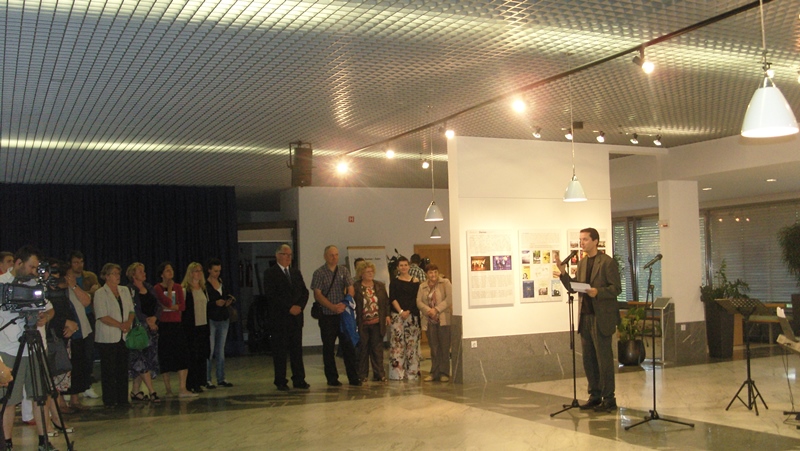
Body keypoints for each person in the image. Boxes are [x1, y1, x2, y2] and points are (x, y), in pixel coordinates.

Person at [555, 227, 621, 413]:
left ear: (595, 241)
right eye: (580, 239)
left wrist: (598, 291)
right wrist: (563, 274)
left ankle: (609, 398)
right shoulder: (583, 263)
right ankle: (595, 395)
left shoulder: (607, 262)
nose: (581, 243)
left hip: (601, 318)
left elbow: (616, 289)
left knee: (603, 359)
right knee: (589, 359)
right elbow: (574, 287)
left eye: (585, 239)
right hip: (585, 317)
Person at [0, 246, 58, 451]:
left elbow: (50, 309)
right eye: (31, 267)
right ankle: (6, 443)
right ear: (18, 263)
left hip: (35, 346)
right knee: (8, 400)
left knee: (40, 397)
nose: (34, 271)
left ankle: (44, 442)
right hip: (9, 349)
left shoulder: (35, 284)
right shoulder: (2, 284)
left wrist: (45, 317)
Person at [310, 245, 360, 387]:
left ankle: (353, 377)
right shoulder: (319, 273)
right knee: (328, 348)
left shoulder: (343, 270)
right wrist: (332, 306)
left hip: (343, 315)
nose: (334, 257)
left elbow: (351, 289)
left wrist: (345, 303)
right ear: (325, 256)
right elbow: (317, 294)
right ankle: (332, 378)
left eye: (336, 255)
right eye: (331, 255)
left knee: (348, 347)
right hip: (327, 316)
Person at [263, 245, 309, 391]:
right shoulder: (270, 273)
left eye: (290, 255)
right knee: (280, 352)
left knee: (297, 351)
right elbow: (272, 296)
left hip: (296, 318)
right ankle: (280, 380)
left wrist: (299, 306)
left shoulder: (295, 272)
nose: (288, 257)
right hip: (280, 319)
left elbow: (304, 292)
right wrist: (289, 307)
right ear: (277, 255)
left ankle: (299, 379)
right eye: (285, 254)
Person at [94, 263, 135, 408]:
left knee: (122, 368)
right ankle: (109, 399)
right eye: (114, 274)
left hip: (124, 335)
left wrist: (128, 323)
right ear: (106, 276)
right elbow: (102, 315)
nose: (117, 276)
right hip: (107, 336)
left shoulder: (124, 290)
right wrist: (120, 325)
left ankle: (123, 398)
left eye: (118, 273)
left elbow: (131, 310)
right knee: (109, 369)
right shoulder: (100, 293)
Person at [153, 262, 195, 398]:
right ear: (161, 274)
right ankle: (168, 389)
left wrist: (172, 306)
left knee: (182, 354)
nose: (170, 272)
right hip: (164, 325)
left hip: (176, 324)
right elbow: (166, 302)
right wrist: (170, 291)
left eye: (171, 269)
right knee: (165, 356)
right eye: (167, 270)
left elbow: (182, 306)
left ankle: (182, 388)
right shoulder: (157, 288)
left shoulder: (178, 287)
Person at [66, 251, 101, 400]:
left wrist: (88, 293)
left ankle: (87, 384)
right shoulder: (66, 278)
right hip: (73, 318)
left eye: (81, 262)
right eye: (75, 262)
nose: (79, 265)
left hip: (88, 316)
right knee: (74, 354)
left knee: (88, 353)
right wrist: (88, 292)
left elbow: (95, 295)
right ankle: (70, 388)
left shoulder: (90, 276)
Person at [126, 263, 160, 402]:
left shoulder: (149, 287)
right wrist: (146, 320)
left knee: (148, 360)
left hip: (152, 327)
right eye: (140, 271)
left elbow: (158, 305)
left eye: (144, 271)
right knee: (140, 360)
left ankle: (135, 391)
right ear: (133, 274)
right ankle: (152, 391)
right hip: (139, 328)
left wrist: (155, 318)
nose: (144, 273)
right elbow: (132, 309)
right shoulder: (129, 290)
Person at [63, 259, 93, 411]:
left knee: (79, 366)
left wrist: (74, 285)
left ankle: (75, 399)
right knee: (65, 367)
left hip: (81, 332)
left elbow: (87, 301)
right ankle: (62, 401)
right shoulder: (59, 290)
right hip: (66, 334)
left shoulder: (75, 289)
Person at [353, 261, 390, 383]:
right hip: (362, 323)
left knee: (377, 350)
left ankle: (379, 374)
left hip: (377, 323)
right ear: (361, 274)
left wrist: (387, 315)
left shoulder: (379, 285)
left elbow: (386, 302)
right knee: (363, 349)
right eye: (367, 272)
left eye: (371, 271)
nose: (370, 273)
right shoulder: (356, 287)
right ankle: (362, 375)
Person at [416, 263, 452, 382]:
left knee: (444, 347)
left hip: (443, 320)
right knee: (434, 348)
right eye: (431, 272)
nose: (433, 274)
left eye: (435, 272)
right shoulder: (422, 286)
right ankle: (434, 373)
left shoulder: (445, 283)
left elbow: (449, 299)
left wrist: (436, 309)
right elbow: (419, 302)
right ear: (427, 274)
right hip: (430, 320)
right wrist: (429, 310)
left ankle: (444, 373)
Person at [388, 256, 421, 381]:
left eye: (405, 265)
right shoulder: (394, 282)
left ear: (409, 266)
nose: (403, 267)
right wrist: (401, 311)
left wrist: (408, 311)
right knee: (398, 344)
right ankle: (397, 373)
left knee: (412, 345)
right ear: (397, 267)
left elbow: (416, 299)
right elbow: (392, 298)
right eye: (401, 265)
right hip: (398, 316)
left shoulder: (415, 282)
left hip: (412, 316)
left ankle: (412, 373)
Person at [205, 258, 235, 389]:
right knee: (210, 350)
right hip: (211, 318)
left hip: (223, 318)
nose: (217, 273)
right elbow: (204, 303)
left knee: (220, 350)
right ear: (209, 270)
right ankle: (207, 379)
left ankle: (221, 378)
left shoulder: (221, 282)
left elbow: (227, 295)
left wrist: (228, 301)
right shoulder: (205, 285)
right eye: (215, 271)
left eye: (219, 271)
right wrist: (214, 303)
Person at [181, 262, 210, 394]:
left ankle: (200, 381)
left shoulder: (203, 288)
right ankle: (191, 383)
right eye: (196, 271)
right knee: (192, 355)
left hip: (203, 326)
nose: (199, 273)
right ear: (190, 273)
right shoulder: (185, 290)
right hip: (191, 327)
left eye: (200, 271)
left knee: (202, 355)